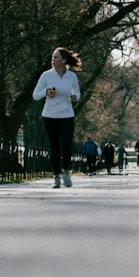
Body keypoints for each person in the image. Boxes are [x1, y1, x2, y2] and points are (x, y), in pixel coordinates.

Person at [32, 47, 81, 188]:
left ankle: (65, 171)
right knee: (54, 147)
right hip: (50, 115)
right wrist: (46, 92)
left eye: (56, 57)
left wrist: (75, 97)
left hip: (67, 114)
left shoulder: (71, 76)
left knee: (66, 146)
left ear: (64, 60)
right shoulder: (46, 75)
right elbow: (35, 95)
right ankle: (56, 177)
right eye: (53, 57)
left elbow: (77, 92)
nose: (53, 60)